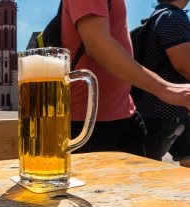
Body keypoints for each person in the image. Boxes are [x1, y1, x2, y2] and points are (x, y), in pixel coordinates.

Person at [62, 0, 190, 156]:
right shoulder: (171, 16)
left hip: (124, 113)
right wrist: (166, 89)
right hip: (90, 120)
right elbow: (97, 44)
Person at [133, 0, 190, 162]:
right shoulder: (172, 17)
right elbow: (185, 66)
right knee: (146, 167)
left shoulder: (158, 16)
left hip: (169, 108)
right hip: (164, 111)